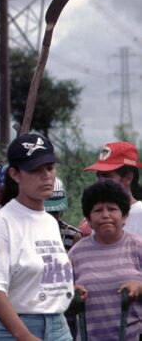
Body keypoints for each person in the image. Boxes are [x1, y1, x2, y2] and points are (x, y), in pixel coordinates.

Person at [0, 133, 74, 340]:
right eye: (35, 170)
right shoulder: (4, 221)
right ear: (15, 174)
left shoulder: (49, 221)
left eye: (49, 168)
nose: (46, 175)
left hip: (57, 323)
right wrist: (24, 336)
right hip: (16, 327)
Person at [69, 180, 142, 339]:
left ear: (124, 216)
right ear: (88, 220)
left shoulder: (138, 247)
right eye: (98, 210)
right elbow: (62, 301)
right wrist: (71, 295)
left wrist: (140, 287)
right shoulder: (76, 253)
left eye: (112, 209)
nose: (105, 215)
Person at [84, 141, 142, 237]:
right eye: (98, 176)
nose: (100, 182)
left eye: (107, 176)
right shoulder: (94, 217)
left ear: (128, 178)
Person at [44, 177, 81, 251]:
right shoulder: (28, 233)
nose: (51, 217)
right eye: (48, 212)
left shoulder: (72, 236)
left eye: (55, 212)